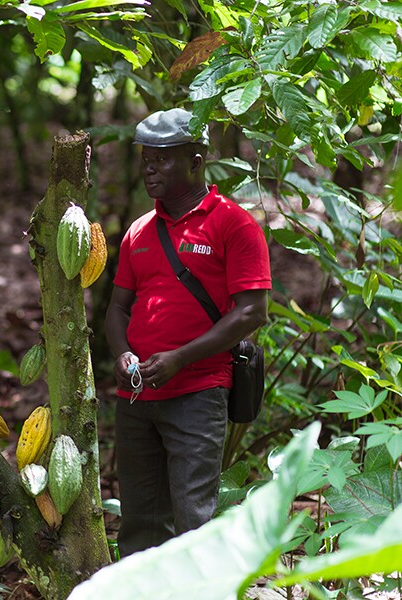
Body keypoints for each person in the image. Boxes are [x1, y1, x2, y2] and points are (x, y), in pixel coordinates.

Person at [104, 107, 271, 557]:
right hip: (137, 398)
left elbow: (252, 312)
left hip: (198, 394)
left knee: (194, 522)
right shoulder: (139, 231)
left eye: (162, 158)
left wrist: (179, 358)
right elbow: (117, 309)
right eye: (145, 159)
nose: (149, 168)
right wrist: (122, 355)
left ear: (196, 161)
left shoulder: (232, 224)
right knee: (139, 523)